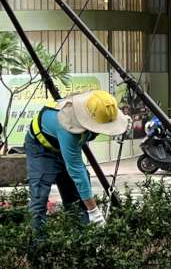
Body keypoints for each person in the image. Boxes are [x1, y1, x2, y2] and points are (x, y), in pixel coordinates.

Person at [25, 90, 131, 230]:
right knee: (40, 195)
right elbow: (77, 172)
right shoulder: (69, 127)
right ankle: (37, 240)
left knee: (76, 196)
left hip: (64, 144)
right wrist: (94, 212)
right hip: (41, 149)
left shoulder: (96, 105)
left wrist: (122, 123)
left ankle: (79, 236)